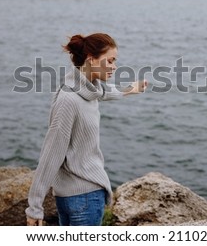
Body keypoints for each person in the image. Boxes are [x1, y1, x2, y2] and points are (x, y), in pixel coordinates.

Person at [26, 32, 147, 226]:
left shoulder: (85, 88)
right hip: (84, 198)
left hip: (72, 196)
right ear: (91, 60)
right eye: (110, 61)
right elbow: (52, 153)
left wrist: (131, 89)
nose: (114, 67)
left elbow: (102, 93)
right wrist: (34, 207)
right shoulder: (69, 99)